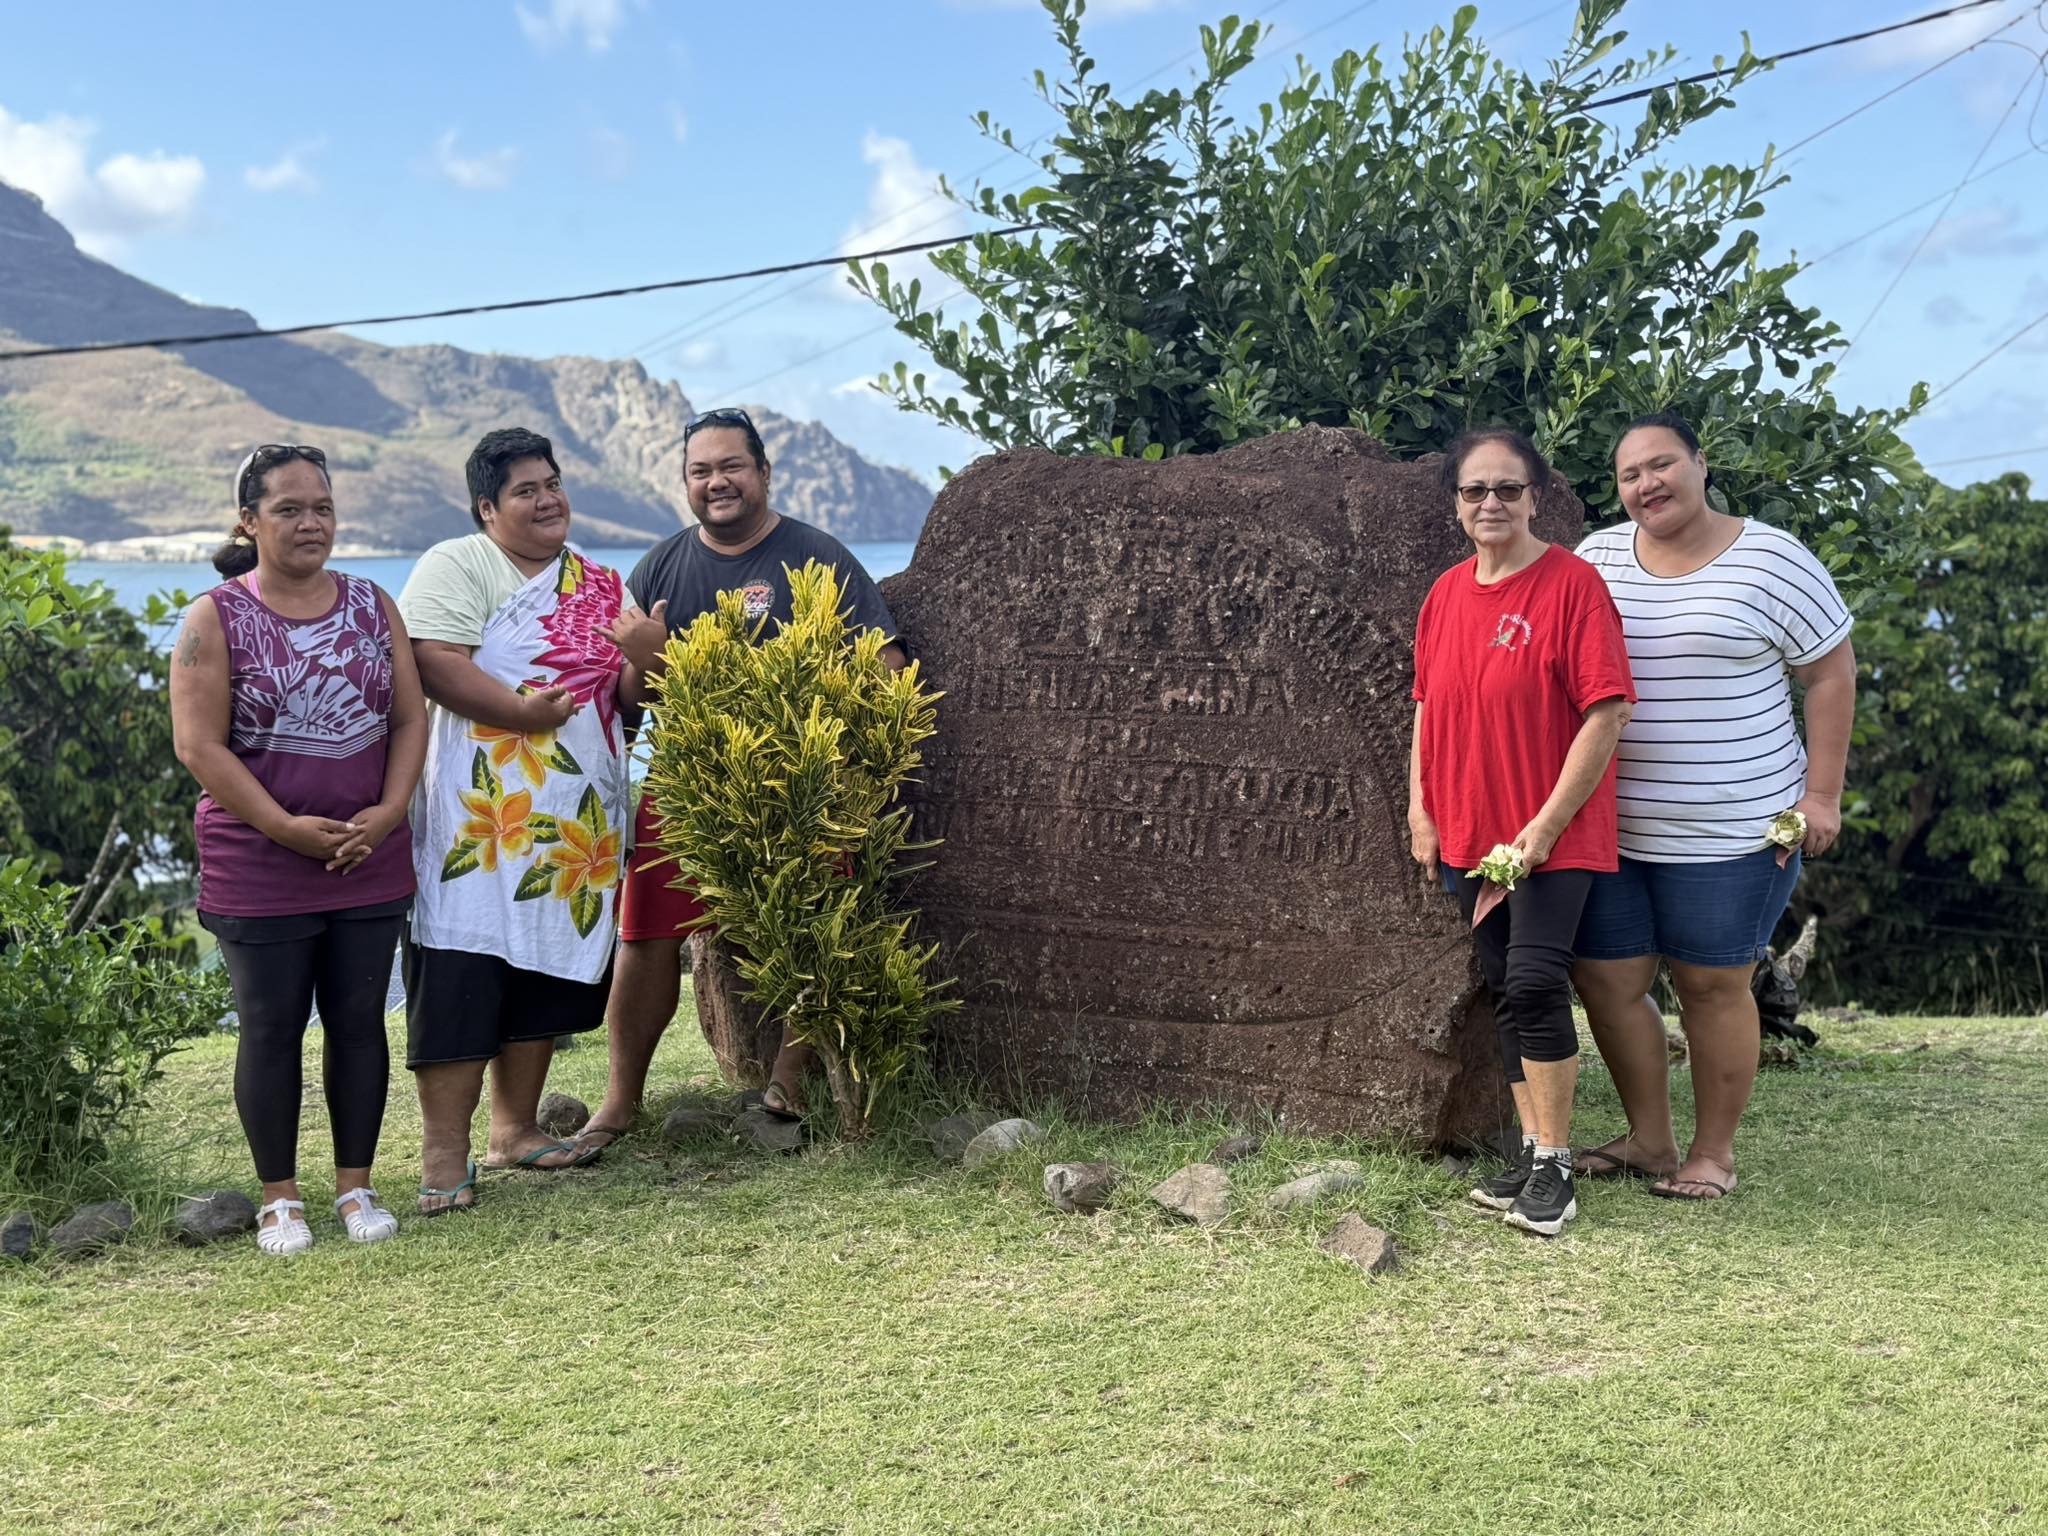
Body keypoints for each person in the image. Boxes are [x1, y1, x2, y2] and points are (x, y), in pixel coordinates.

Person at [575, 407, 903, 1150]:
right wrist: (646, 658)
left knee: (813, 927)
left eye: (731, 466)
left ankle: (787, 1084)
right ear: (685, 482)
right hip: (686, 776)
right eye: (701, 471)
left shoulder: (818, 556)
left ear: (763, 473)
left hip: (799, 779)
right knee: (644, 935)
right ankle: (618, 1103)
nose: (716, 482)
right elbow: (630, 700)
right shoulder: (659, 567)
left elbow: (886, 665)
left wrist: (837, 746)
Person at [1570, 410, 1855, 1201]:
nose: (1647, 484)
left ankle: (1712, 1155)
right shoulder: (1595, 559)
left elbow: (1830, 675)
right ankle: (1649, 1141)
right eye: (1629, 475)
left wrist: (1822, 795)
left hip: (1735, 832)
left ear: (1701, 463)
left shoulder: (1774, 559)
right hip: (1611, 827)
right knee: (1606, 980)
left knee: (1709, 986)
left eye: (1661, 464)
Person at [169, 445, 425, 1255]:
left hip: (366, 855)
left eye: (322, 507)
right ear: (249, 521)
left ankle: (356, 1186)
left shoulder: (373, 605)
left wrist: (387, 812)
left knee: (359, 1023)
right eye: (288, 509)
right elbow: (198, 746)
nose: (311, 523)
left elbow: (409, 718)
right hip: (260, 862)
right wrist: (284, 827)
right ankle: (279, 1198)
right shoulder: (214, 617)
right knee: (270, 1026)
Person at [397, 428, 643, 1213]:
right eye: (525, 491)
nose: (547, 501)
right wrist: (520, 713)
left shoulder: (598, 581)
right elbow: (433, 660)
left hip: (573, 821)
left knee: (544, 960)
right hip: (480, 816)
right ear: (487, 508)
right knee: (462, 966)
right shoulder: (457, 563)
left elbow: (629, 697)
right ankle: (445, 1155)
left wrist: (647, 654)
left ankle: (516, 1130)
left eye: (553, 483)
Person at [1409, 427, 1635, 1237]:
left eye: (1508, 488)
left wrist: (1543, 828)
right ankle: (1535, 1154)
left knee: (1538, 982)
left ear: (1536, 497)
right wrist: (1420, 810)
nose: (1492, 503)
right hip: (1470, 833)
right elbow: (1427, 708)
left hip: (1551, 837)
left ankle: (1558, 1168)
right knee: (1507, 986)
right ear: (1456, 504)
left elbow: (1607, 712)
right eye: (1475, 490)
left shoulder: (1572, 586)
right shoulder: (1444, 595)